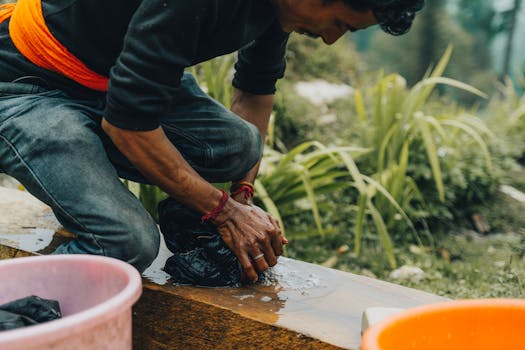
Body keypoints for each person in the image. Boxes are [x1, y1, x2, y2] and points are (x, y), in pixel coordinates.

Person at [0, 0, 424, 283]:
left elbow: (255, 95)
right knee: (125, 244)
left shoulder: (279, 10)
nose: (331, 38)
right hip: (24, 85)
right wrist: (222, 213)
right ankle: (22, 308)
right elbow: (128, 125)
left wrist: (242, 196)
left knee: (240, 145)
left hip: (113, 86)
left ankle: (181, 229)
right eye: (340, 24)